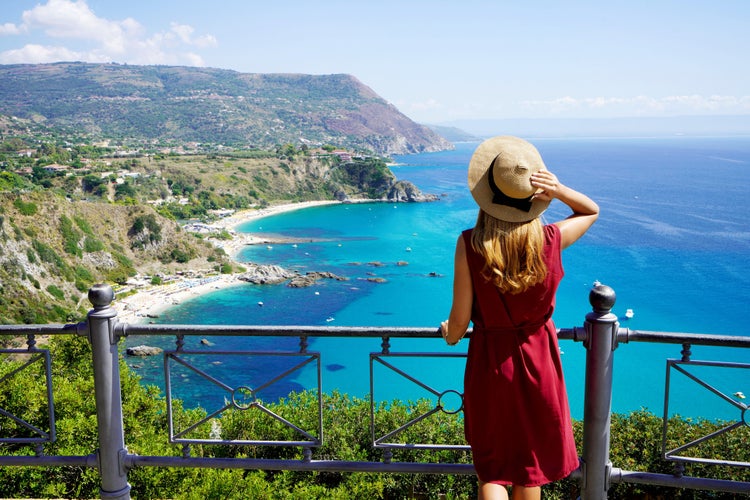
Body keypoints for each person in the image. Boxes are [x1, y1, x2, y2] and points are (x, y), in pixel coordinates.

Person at [439, 136, 599, 500]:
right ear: (532, 195)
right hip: (540, 362)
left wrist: (450, 334)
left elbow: (459, 322)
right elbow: (590, 211)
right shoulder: (550, 239)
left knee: (493, 471)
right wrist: (557, 191)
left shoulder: (469, 245)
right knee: (530, 473)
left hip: (490, 365)